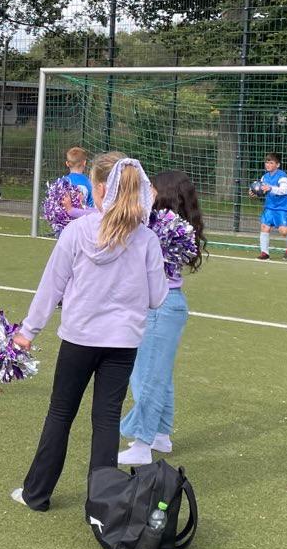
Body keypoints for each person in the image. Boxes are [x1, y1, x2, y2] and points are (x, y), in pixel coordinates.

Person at [10, 153, 168, 511]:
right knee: (107, 420)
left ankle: (37, 494)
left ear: (99, 188)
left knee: (60, 414)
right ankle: (102, 504)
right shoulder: (147, 239)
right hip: (123, 343)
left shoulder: (77, 231)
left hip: (80, 338)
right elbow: (158, 298)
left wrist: (28, 331)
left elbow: (52, 286)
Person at [118, 170, 207, 465]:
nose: (148, 193)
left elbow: (115, 223)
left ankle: (142, 444)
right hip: (170, 306)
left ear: (164, 194)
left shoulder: (159, 227)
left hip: (159, 307)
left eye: (152, 189)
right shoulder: (178, 226)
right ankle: (161, 436)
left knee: (147, 376)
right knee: (160, 375)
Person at [252, 151, 287, 259]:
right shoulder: (264, 177)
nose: (268, 165)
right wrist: (254, 193)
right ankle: (265, 253)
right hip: (269, 207)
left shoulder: (283, 177)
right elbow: (261, 190)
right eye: (267, 163)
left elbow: (283, 191)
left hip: (282, 208)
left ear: (277, 165)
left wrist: (270, 188)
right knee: (265, 227)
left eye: (271, 163)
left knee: (284, 231)